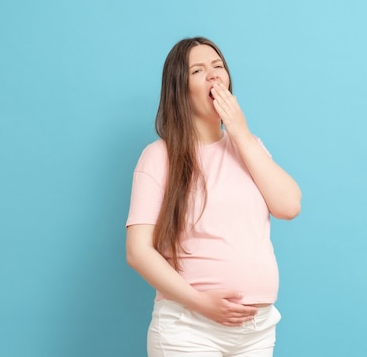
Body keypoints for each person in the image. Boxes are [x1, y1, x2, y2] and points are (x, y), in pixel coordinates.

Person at [125, 36, 302, 356]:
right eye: (198, 70)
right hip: (189, 328)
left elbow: (289, 206)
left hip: (256, 330)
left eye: (218, 66)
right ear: (179, 88)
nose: (213, 75)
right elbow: (138, 252)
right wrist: (200, 303)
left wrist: (241, 133)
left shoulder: (250, 147)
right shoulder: (158, 157)